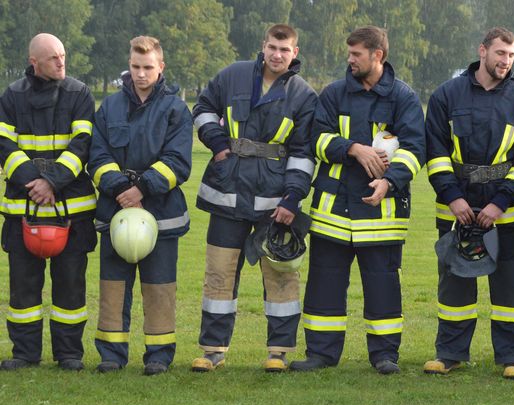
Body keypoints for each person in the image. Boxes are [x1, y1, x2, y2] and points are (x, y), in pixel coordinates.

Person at [289, 26, 425, 374]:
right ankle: (321, 353)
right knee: (324, 284)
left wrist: (389, 182)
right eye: (349, 53)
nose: (349, 59)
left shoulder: (403, 98)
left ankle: (384, 355)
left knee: (383, 286)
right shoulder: (334, 94)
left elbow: (415, 150)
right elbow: (317, 139)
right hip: (333, 210)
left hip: (381, 212)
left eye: (356, 54)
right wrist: (353, 148)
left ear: (378, 55)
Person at [191, 24, 317, 372]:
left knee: (280, 276)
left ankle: (278, 352)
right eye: (272, 47)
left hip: (274, 202)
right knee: (219, 272)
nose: (277, 54)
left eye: (285, 49)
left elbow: (303, 152)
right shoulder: (232, 75)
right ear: (263, 46)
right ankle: (212, 350)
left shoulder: (304, 95)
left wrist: (292, 198)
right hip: (227, 193)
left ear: (295, 53)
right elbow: (202, 108)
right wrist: (217, 142)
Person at [423, 27, 514, 380]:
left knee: (512, 286)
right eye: (500, 53)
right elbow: (436, 153)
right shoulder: (447, 95)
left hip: (506, 212)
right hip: (455, 209)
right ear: (482, 51)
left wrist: (500, 203)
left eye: (511, 55)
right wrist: (453, 197)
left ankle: (513, 357)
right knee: (454, 282)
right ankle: (449, 354)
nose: (506, 61)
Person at [88, 36, 192, 375]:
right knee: (113, 286)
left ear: (161, 67)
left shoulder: (176, 110)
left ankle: (159, 355)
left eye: (148, 67)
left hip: (160, 213)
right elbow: (97, 156)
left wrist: (142, 189)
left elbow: (178, 161)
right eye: (135, 67)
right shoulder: (110, 107)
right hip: (116, 209)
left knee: (159, 287)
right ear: (129, 66)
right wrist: (120, 188)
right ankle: (111, 354)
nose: (141, 74)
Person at [0, 33, 96, 371]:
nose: (61, 62)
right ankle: (25, 353)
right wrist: (35, 183)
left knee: (70, 285)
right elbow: (4, 145)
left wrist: (52, 181)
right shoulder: (12, 96)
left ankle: (69, 354)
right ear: (34, 62)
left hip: (72, 210)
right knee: (23, 287)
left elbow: (82, 143)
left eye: (63, 55)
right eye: (53, 57)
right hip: (23, 209)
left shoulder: (79, 93)